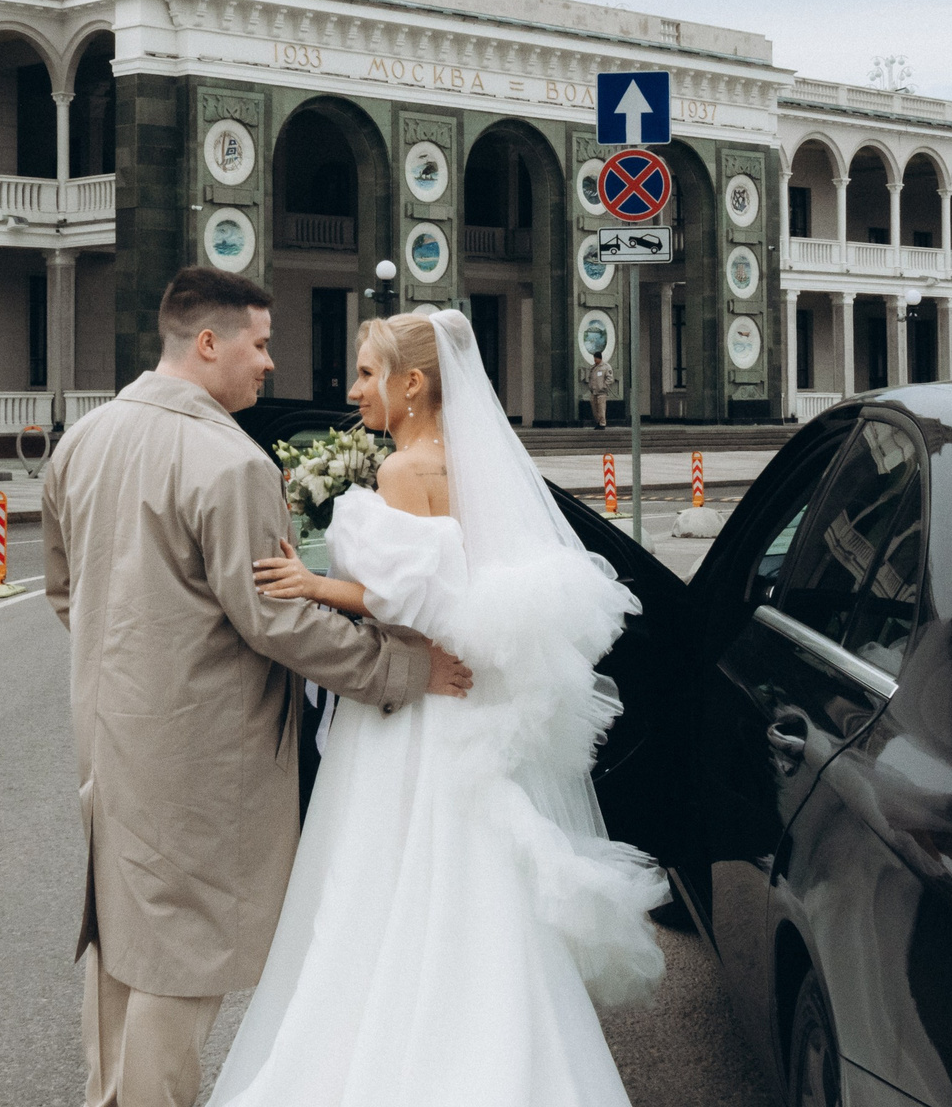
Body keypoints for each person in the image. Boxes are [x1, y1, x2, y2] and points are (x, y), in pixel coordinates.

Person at [44, 269, 473, 1107]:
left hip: (107, 737)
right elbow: (274, 620)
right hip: (200, 752)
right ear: (209, 343)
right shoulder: (230, 461)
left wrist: (138, 663)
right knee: (181, 956)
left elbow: (65, 591)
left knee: (119, 939)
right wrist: (409, 670)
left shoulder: (81, 442)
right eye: (261, 344)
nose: (270, 364)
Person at [220, 310, 666, 1106]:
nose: (353, 388)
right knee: (476, 881)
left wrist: (318, 583)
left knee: (377, 878)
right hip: (469, 709)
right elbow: (466, 588)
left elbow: (417, 599)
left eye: (366, 373)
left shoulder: (400, 473)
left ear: (412, 384)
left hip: (413, 710)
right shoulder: (473, 465)